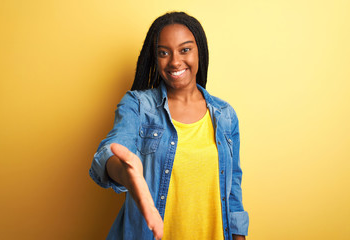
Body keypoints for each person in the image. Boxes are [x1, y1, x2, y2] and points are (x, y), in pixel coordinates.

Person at [89, 11, 249, 240]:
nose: (175, 61)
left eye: (185, 49)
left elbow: (233, 190)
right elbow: (110, 151)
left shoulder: (225, 115)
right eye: (164, 53)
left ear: (199, 51)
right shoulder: (138, 106)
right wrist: (127, 174)